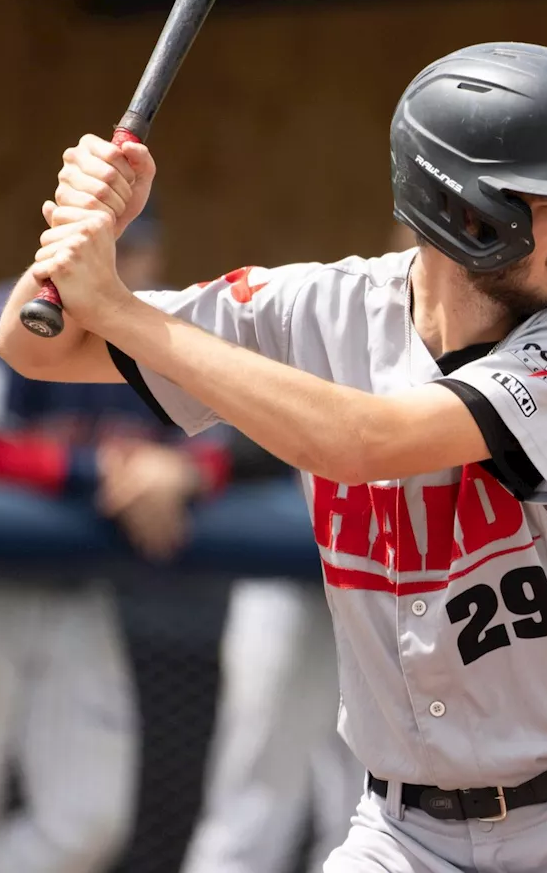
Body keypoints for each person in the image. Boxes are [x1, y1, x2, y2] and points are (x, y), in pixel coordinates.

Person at [0, 42, 547, 872]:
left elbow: (361, 443)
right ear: (464, 205)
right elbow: (33, 345)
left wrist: (119, 306)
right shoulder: (323, 306)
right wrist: (84, 229)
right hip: (404, 834)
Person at [0, 214, 232, 873]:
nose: (122, 262)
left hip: (70, 590)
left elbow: (215, 452)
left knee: (87, 821)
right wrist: (97, 469)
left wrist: (181, 471)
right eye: (107, 246)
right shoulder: (8, 314)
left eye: (134, 246)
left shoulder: (159, 337)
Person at [179, 225, 419, 873]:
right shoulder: (337, 314)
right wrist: (192, 470)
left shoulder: (481, 344)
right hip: (296, 590)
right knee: (253, 806)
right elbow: (248, 428)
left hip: (403, 607)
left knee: (369, 813)